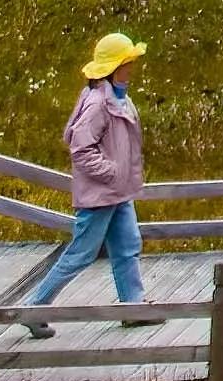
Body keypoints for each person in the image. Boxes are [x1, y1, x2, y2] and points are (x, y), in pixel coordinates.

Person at [54, 34, 155, 318]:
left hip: (118, 192)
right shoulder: (99, 103)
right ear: (114, 68)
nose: (131, 68)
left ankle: (133, 308)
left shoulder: (118, 98)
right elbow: (80, 148)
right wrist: (111, 173)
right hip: (101, 195)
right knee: (80, 255)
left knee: (127, 247)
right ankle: (32, 308)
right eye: (127, 63)